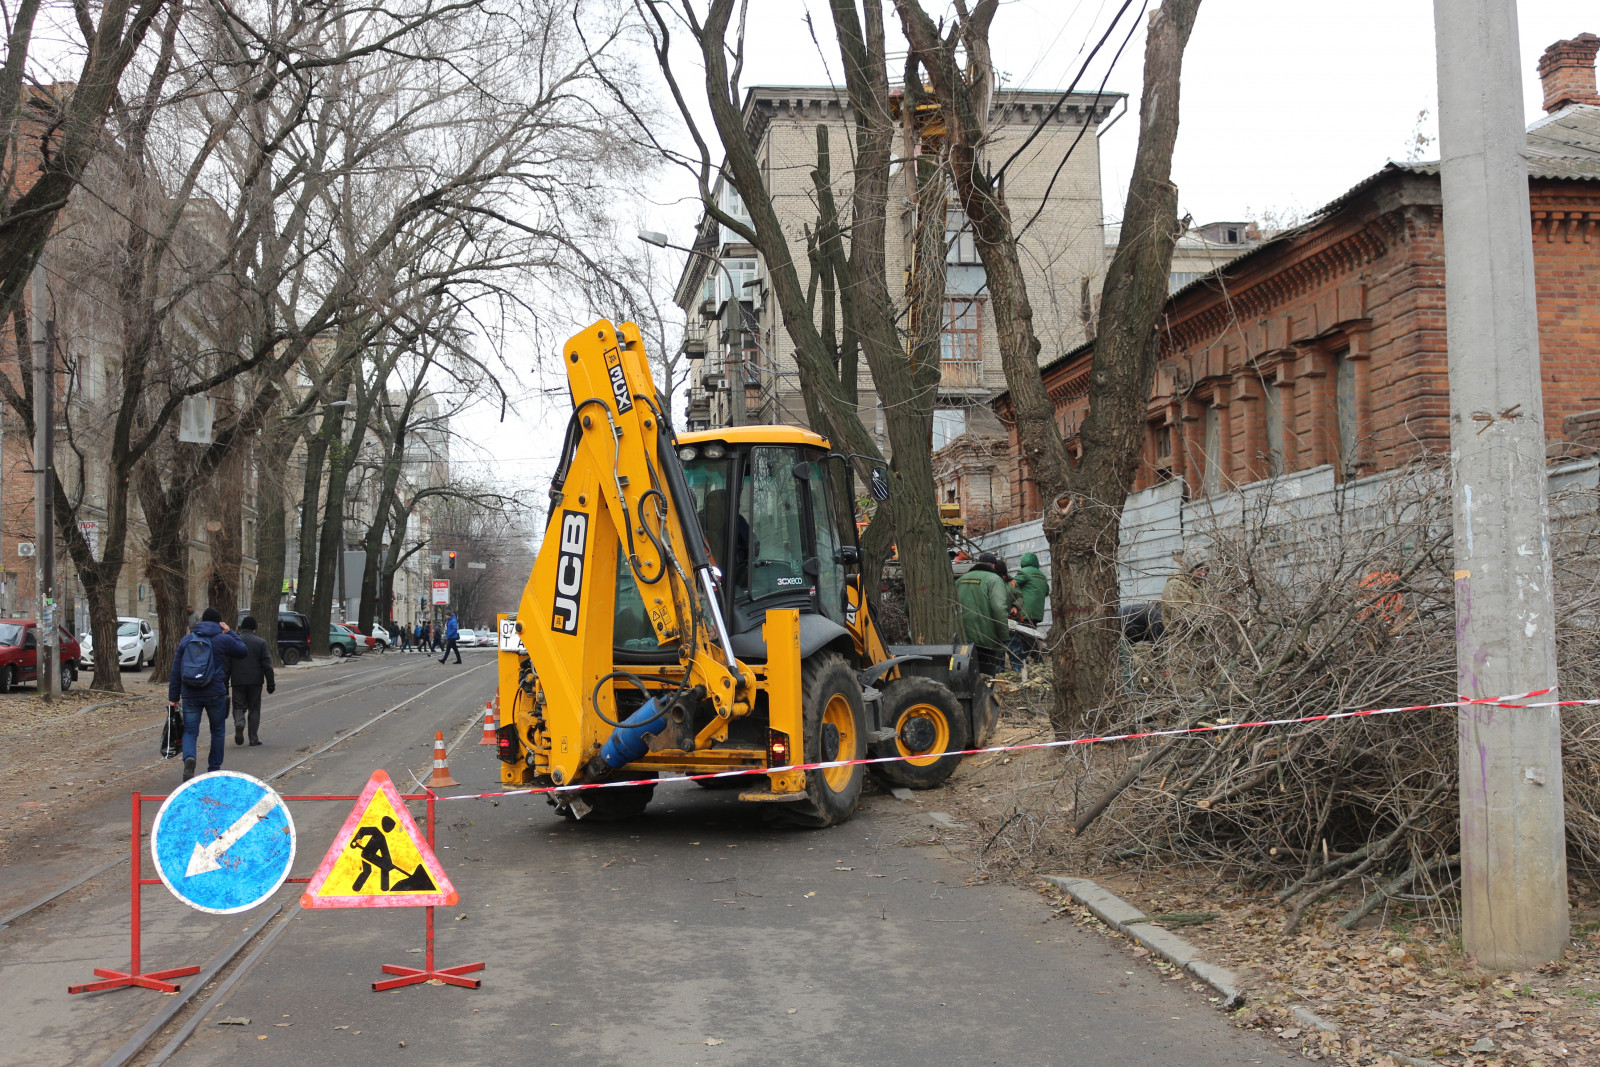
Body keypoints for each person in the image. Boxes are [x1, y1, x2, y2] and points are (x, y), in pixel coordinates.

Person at [168, 608, 248, 781]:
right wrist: (231, 632)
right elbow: (243, 651)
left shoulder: (187, 640)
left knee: (190, 731)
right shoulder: (223, 639)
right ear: (219, 623)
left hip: (189, 693)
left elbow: (176, 670)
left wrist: (173, 697)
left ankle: (190, 758)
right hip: (215, 693)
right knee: (218, 731)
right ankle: (214, 769)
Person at [956, 552, 1011, 676]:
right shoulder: (994, 580)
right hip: (986, 640)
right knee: (986, 678)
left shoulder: (960, 579)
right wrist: (1003, 637)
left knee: (967, 677)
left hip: (962, 639)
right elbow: (999, 609)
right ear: (993, 565)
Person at [227, 616, 276, 746]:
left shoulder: (233, 642)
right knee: (254, 708)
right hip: (255, 681)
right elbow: (267, 665)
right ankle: (253, 738)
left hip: (237, 680)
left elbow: (227, 664)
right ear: (255, 629)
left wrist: (225, 683)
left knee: (238, 706)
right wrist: (271, 683)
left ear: (241, 628)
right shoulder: (260, 643)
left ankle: (239, 722)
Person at [1008, 551, 1049, 668]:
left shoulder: (1024, 572)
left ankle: (1038, 661)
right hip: (1037, 612)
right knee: (1028, 635)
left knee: (1026, 637)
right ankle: (1030, 662)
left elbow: (1012, 586)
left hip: (1024, 611)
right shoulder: (1042, 576)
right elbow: (1046, 591)